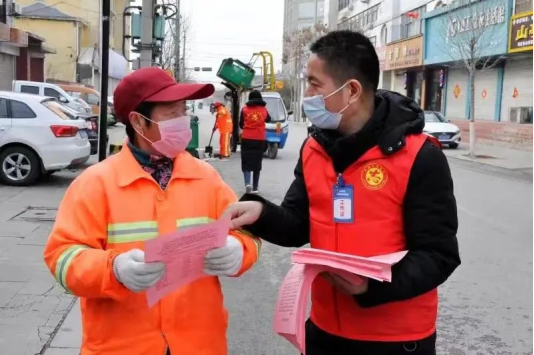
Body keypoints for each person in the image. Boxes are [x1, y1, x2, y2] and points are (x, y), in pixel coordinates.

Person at [226, 31, 461, 355]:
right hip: (325, 332)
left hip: (395, 341)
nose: (306, 94)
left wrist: (372, 286)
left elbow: (439, 255)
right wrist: (261, 214)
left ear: (351, 90)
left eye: (314, 84)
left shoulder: (419, 157)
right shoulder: (314, 149)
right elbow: (298, 223)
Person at [43, 67, 262, 355]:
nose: (184, 121)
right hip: (122, 346)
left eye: (184, 111)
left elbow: (248, 234)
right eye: (172, 114)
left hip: (199, 343)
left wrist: (239, 251)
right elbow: (62, 258)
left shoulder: (206, 178)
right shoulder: (96, 184)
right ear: (138, 121)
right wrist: (114, 269)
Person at [239, 90, 272, 194]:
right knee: (257, 163)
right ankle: (255, 187)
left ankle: (247, 183)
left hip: (247, 139)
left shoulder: (244, 109)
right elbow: (268, 119)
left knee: (246, 161)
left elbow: (241, 124)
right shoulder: (264, 110)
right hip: (259, 139)